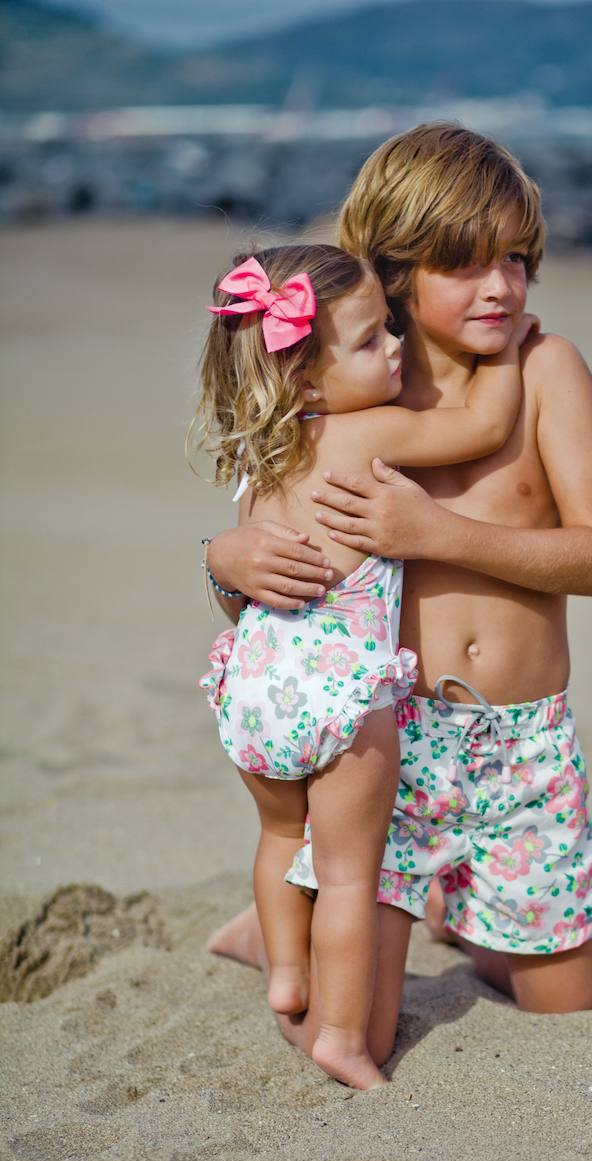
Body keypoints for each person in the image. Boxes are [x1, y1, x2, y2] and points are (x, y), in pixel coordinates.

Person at [205, 123, 592, 1069]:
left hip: (526, 745)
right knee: (355, 1022)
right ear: (394, 270)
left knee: (574, 1014)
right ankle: (303, 921)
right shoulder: (338, 399)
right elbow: (288, 587)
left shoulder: (545, 370)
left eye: (517, 260)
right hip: (390, 747)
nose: (502, 288)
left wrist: (438, 536)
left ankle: (452, 911)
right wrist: (222, 560)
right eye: (467, 264)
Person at [195, 240, 535, 1088]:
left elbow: (237, 566)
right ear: (309, 380)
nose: (394, 349)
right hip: (339, 700)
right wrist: (513, 343)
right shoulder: (358, 434)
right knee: (350, 875)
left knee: (282, 835)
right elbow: (480, 426)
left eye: (391, 328)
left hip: (253, 691)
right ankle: (341, 1036)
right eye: (372, 339)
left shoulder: (257, 461)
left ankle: (285, 973)